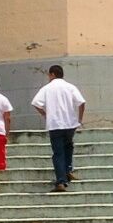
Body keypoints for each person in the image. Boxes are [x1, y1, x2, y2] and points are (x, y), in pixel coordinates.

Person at [33, 63, 88, 191]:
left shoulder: (47, 88)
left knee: (58, 152)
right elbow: (81, 102)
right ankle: (68, 170)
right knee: (68, 146)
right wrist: (79, 118)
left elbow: (36, 103)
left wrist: (45, 114)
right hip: (70, 123)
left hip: (55, 124)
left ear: (52, 74)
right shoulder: (70, 87)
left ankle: (61, 181)